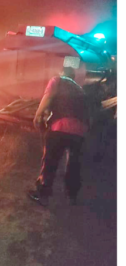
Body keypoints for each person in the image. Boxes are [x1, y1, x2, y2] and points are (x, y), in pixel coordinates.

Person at [28, 66, 89, 206]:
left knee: (50, 161)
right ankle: (71, 196)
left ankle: (43, 195)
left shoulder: (57, 80)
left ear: (63, 73)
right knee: (74, 164)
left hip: (60, 126)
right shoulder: (79, 89)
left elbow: (47, 97)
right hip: (80, 130)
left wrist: (37, 117)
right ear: (73, 77)